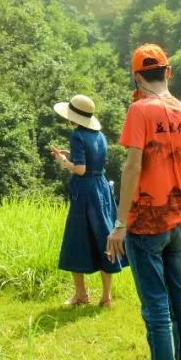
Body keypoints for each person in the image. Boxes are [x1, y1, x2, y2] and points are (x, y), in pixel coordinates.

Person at [106, 44, 181, 360]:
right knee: (179, 302)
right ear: (168, 72)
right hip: (177, 218)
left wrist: (120, 223)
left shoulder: (140, 110)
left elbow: (132, 167)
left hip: (146, 223)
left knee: (156, 308)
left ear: (138, 77)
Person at [51, 94, 123, 307]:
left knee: (77, 240)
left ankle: (81, 294)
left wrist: (65, 161)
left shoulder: (77, 135)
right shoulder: (99, 135)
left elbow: (81, 169)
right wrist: (71, 154)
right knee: (104, 237)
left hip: (84, 193)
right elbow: (93, 162)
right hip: (101, 188)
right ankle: (106, 297)